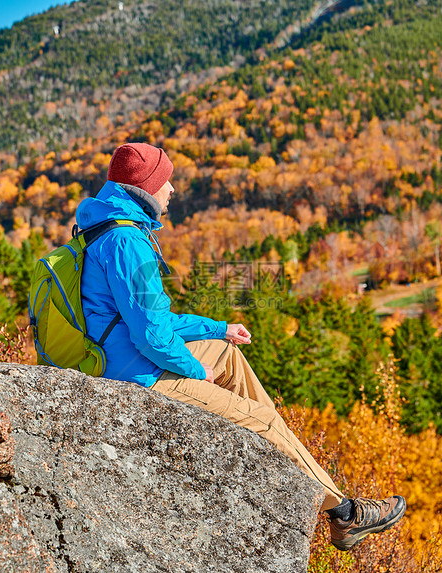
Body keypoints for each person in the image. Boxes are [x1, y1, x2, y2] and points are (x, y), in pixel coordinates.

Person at [75, 142, 405, 550]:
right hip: (137, 373)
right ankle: (344, 514)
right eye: (166, 181)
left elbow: (149, 319)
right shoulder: (127, 242)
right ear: (145, 188)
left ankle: (279, 452)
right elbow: (152, 336)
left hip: (123, 354)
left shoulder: (106, 226)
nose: (172, 190)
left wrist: (218, 329)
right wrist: (198, 372)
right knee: (257, 418)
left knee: (228, 355)